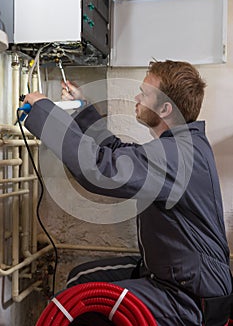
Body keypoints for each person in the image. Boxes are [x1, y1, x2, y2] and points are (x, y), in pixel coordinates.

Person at [23, 60, 233, 326]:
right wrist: (84, 109)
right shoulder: (180, 147)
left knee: (86, 309)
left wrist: (44, 110)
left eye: (144, 94)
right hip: (176, 278)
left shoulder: (178, 155)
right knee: (81, 278)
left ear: (165, 108)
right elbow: (116, 152)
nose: (137, 97)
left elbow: (101, 169)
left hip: (190, 296)